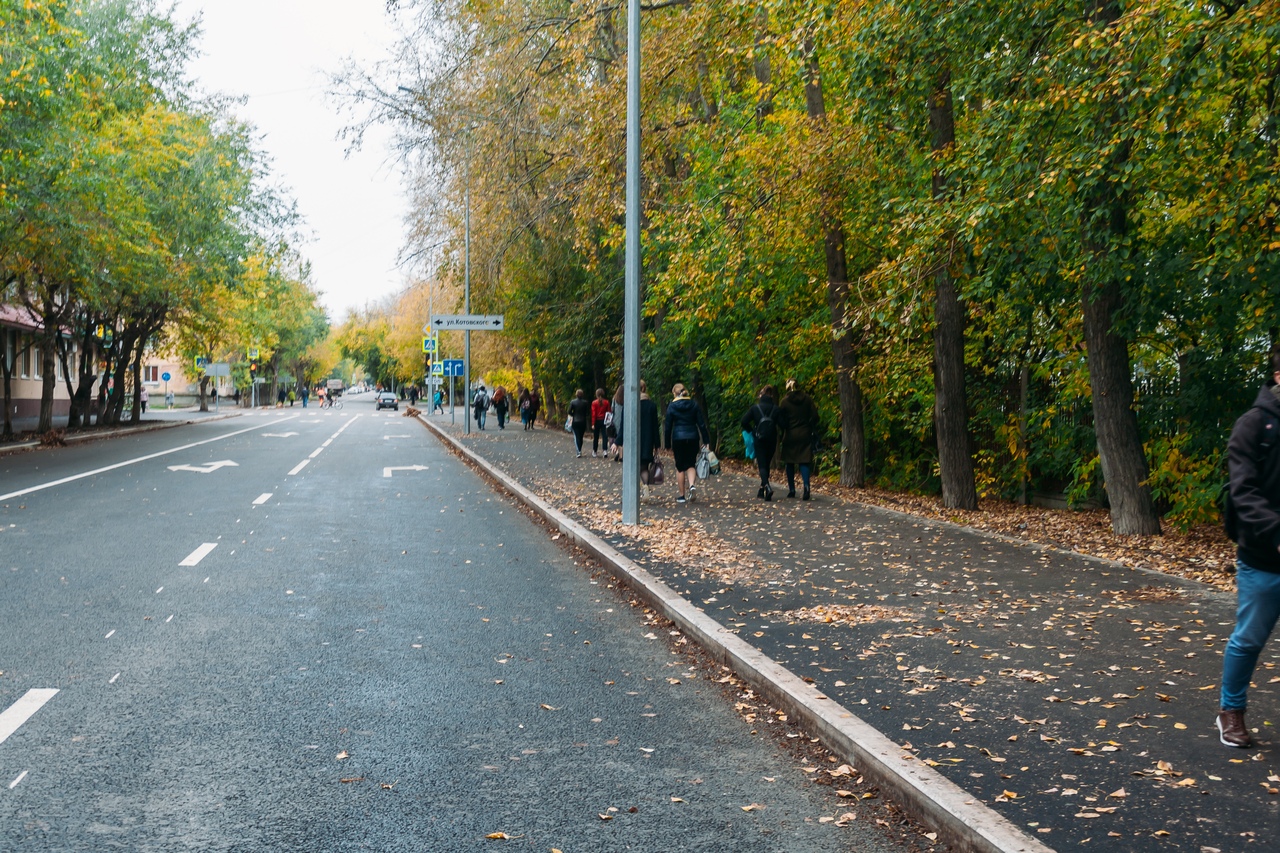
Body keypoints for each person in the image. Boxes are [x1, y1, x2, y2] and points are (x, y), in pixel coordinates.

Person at [1218, 343, 1280, 748]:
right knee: (1249, 639)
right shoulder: (1254, 425)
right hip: (1264, 557)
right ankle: (1231, 711)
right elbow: (1244, 491)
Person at [665, 383, 711, 504]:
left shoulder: (672, 406)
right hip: (692, 437)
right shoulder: (694, 404)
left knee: (680, 467)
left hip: (678, 438)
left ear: (674, 393)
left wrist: (667, 444)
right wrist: (706, 441)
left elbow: (668, 426)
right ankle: (692, 486)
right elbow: (701, 423)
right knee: (691, 463)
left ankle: (681, 496)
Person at [778, 378, 819, 500]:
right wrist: (810, 425)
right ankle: (806, 487)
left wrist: (784, 427)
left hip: (790, 434)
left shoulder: (784, 402)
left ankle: (792, 489)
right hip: (805, 433)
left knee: (789, 462)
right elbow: (815, 416)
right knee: (804, 461)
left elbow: (781, 419)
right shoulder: (807, 399)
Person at [617, 381, 661, 496]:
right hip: (647, 440)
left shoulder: (629, 405)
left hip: (632, 440)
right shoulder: (652, 406)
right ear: (644, 389)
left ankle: (632, 493)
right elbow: (655, 427)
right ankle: (645, 485)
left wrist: (618, 442)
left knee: (632, 467)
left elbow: (623, 426)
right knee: (644, 466)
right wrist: (657, 445)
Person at [740, 384, 780, 500]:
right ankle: (762, 489)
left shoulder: (755, 409)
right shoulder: (776, 409)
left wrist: (752, 431)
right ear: (771, 395)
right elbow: (783, 423)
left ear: (761, 395)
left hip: (759, 439)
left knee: (762, 465)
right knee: (766, 464)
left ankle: (766, 486)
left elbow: (744, 421)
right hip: (772, 439)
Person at [568, 389, 592, 457]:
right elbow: (587, 412)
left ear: (576, 394)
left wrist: (573, 414)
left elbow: (569, 411)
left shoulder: (573, 402)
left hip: (575, 421)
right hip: (583, 421)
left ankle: (578, 451)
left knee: (577, 436)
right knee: (581, 436)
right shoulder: (585, 402)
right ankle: (579, 449)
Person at [590, 388, 611, 457]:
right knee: (605, 436)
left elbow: (593, 414)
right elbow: (609, 412)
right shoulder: (606, 402)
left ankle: (595, 451)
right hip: (604, 421)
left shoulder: (594, 403)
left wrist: (593, 423)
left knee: (596, 436)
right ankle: (605, 451)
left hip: (597, 421)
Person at [607, 385, 623, 460]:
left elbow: (612, 409)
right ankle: (622, 454)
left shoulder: (614, 399)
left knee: (617, 435)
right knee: (623, 435)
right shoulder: (626, 398)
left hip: (616, 420)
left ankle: (618, 453)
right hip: (623, 418)